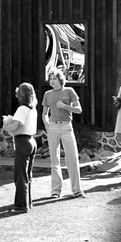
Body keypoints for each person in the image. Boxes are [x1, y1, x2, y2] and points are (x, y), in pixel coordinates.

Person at [42, 69, 85, 199]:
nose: (52, 81)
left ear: (60, 79)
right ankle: (55, 191)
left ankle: (77, 191)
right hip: (53, 127)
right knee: (54, 160)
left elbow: (79, 110)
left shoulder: (69, 91)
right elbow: (44, 113)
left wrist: (65, 106)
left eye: (54, 78)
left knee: (72, 158)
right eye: (50, 79)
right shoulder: (47, 94)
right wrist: (47, 125)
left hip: (67, 127)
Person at [8, 83, 38, 213]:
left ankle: (20, 205)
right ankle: (28, 202)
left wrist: (6, 126)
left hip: (22, 141)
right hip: (31, 140)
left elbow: (15, 126)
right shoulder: (33, 109)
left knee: (20, 175)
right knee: (27, 174)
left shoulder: (22, 109)